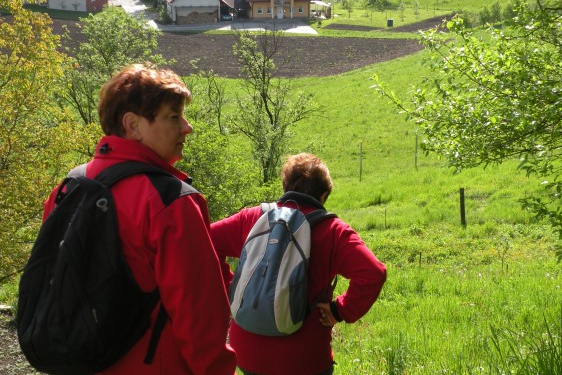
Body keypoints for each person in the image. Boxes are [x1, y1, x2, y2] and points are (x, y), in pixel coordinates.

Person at [42, 64, 236, 374]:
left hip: (80, 361)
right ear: (133, 125)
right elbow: (200, 318)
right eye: (173, 117)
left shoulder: (67, 189)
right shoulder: (171, 201)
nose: (187, 127)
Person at [209, 153, 387, 375]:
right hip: (305, 359)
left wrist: (231, 288)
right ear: (323, 195)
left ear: (285, 187)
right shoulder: (334, 231)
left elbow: (205, 241)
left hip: (246, 350)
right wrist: (339, 311)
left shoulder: (254, 218)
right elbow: (374, 272)